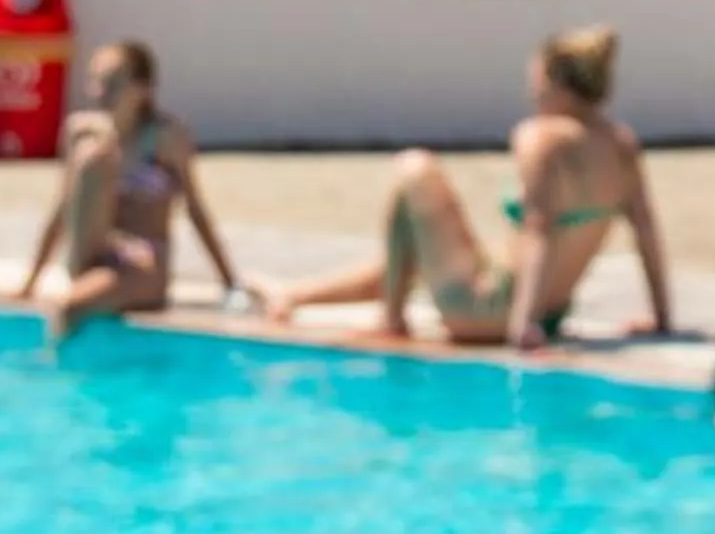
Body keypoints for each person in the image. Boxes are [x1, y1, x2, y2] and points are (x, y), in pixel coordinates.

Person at [268, 27, 672, 351]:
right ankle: (294, 296)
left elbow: (540, 230)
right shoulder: (621, 145)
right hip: (552, 313)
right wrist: (662, 319)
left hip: (488, 310)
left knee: (414, 169)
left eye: (536, 81)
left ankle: (390, 320)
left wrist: (523, 326)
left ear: (557, 84)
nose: (531, 92)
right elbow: (646, 232)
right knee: (413, 254)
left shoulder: (541, 138)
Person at [15, 39, 245, 340]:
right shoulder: (81, 133)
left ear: (143, 89)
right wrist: (30, 282)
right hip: (96, 252)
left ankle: (51, 363)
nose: (100, 93)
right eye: (96, 82)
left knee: (69, 305)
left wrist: (229, 282)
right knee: (93, 156)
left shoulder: (165, 137)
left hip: (142, 265)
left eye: (113, 84)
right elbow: (63, 208)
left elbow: (195, 209)